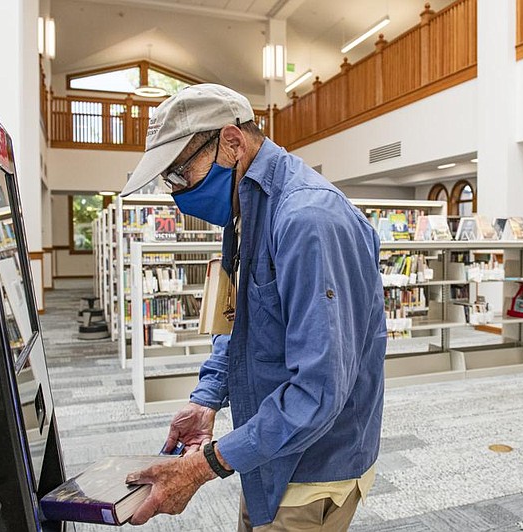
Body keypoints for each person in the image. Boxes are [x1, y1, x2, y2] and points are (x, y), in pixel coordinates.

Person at [119, 83, 387, 530]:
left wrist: (203, 466)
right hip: (267, 450)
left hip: (311, 469)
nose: (176, 191)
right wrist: (206, 400)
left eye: (180, 172)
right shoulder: (246, 210)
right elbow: (241, 325)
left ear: (230, 141)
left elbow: (318, 393)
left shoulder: (308, 219)